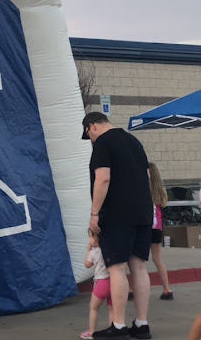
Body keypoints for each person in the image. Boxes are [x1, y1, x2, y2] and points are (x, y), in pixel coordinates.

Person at [82, 111, 153, 339]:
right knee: (139, 267)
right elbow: (147, 176)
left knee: (117, 269)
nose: (91, 141)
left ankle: (119, 326)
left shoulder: (103, 143)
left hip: (116, 215)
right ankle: (141, 324)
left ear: (91, 126)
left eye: (88, 136)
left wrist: (94, 214)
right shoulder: (133, 141)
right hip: (142, 211)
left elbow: (103, 178)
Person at [81, 228, 114, 338]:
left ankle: (91, 331)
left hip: (101, 284)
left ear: (95, 238)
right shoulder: (110, 250)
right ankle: (113, 330)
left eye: (90, 236)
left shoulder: (94, 252)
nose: (89, 239)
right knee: (111, 309)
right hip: (113, 283)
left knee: (93, 308)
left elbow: (87, 264)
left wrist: (87, 251)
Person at [147, 162, 173, 300]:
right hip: (157, 228)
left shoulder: (144, 189)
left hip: (145, 227)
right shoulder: (159, 191)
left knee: (137, 260)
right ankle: (167, 289)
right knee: (157, 259)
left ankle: (133, 289)